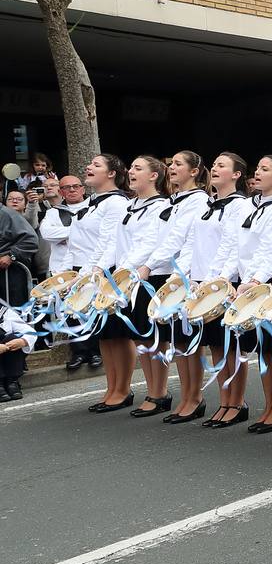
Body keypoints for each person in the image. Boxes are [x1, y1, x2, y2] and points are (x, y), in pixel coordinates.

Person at [90, 155, 169, 413]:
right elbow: (113, 242)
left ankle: (160, 392)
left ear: (154, 176)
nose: (131, 172)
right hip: (127, 278)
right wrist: (100, 268)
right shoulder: (130, 205)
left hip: (149, 276)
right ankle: (150, 390)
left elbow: (149, 242)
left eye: (138, 168)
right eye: (132, 167)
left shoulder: (160, 206)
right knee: (140, 338)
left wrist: (125, 269)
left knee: (153, 337)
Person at [139, 152, 211, 421]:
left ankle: (195, 396)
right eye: (170, 164)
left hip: (182, 273)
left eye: (178, 164)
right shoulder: (173, 200)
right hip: (163, 272)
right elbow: (157, 237)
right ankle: (185, 396)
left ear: (194, 171)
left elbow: (183, 240)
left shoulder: (198, 200)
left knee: (188, 338)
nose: (172, 168)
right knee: (176, 339)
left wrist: (150, 265)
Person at [230, 157, 272, 432]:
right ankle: (269, 405)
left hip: (268, 281)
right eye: (257, 168)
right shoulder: (252, 205)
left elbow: (271, 248)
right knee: (261, 348)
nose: (257, 173)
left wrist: (254, 280)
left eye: (265, 170)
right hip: (250, 281)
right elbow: (238, 246)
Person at [194, 153, 252, 428]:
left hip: (226, 283)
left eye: (221, 166)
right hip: (208, 281)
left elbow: (233, 246)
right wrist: (201, 280)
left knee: (232, 344)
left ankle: (237, 402)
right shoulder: (210, 204)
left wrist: (220, 279)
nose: (214, 169)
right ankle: (224, 399)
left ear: (237, 175)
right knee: (216, 344)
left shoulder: (240, 206)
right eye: (213, 165)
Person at [65, 155, 131, 369]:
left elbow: (110, 243)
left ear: (111, 174)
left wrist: (93, 272)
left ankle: (122, 390)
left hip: (106, 271)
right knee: (102, 335)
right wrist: (70, 274)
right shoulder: (91, 203)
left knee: (116, 333)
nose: (88, 167)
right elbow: (75, 243)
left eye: (96, 165)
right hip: (89, 271)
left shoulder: (116, 202)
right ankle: (113, 389)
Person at [0, 304, 38, 402]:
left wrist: (23, 341)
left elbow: (30, 332)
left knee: (12, 338)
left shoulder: (5, 312)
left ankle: (11, 382)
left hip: (7, 356)